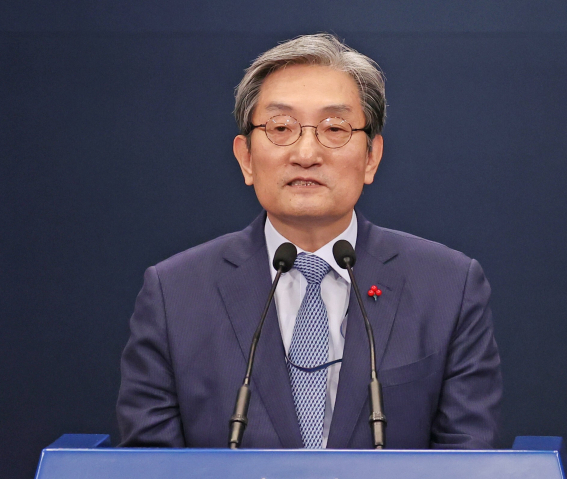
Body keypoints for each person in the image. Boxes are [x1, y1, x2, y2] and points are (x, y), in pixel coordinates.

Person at [117, 33, 502, 449]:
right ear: (246, 158)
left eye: (334, 128)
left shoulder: (448, 287)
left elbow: (468, 457)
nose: (305, 154)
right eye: (281, 127)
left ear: (371, 157)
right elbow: (150, 464)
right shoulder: (174, 294)